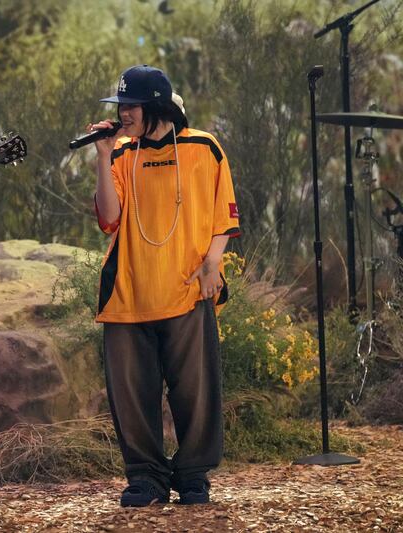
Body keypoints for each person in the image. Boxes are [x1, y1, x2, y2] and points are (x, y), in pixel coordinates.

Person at [88, 65, 240, 506]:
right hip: (127, 294)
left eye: (130, 105)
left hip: (187, 289)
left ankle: (193, 475)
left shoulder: (203, 148)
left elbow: (224, 216)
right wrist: (101, 157)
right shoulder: (119, 153)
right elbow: (108, 218)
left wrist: (213, 263)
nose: (123, 114)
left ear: (155, 104)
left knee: (196, 390)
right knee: (132, 397)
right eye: (120, 107)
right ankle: (146, 478)